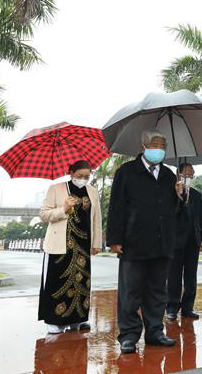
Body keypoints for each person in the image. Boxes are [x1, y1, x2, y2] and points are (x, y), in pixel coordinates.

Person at [107, 130, 184, 354]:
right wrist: (115, 239)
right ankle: (129, 335)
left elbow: (175, 211)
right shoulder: (127, 172)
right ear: (143, 147)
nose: (160, 149)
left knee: (157, 291)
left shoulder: (170, 176)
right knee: (130, 291)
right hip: (134, 242)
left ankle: (155, 331)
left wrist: (180, 195)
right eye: (156, 144)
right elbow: (117, 207)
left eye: (163, 145)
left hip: (162, 243)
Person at [39, 160, 102, 334]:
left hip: (83, 244)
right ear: (71, 172)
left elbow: (96, 218)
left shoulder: (92, 192)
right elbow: (44, 215)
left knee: (82, 282)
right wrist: (64, 209)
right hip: (60, 245)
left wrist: (97, 243)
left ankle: (78, 320)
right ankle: (54, 322)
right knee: (57, 281)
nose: (83, 179)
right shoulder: (56, 189)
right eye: (80, 176)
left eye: (87, 177)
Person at [166, 163, 202, 321]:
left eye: (191, 175)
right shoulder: (172, 192)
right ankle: (172, 307)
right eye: (186, 175)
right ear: (179, 175)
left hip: (193, 241)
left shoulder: (196, 194)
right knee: (174, 276)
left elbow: (201, 218)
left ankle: (188, 307)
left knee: (191, 276)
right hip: (176, 241)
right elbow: (171, 214)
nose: (189, 177)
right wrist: (178, 196)